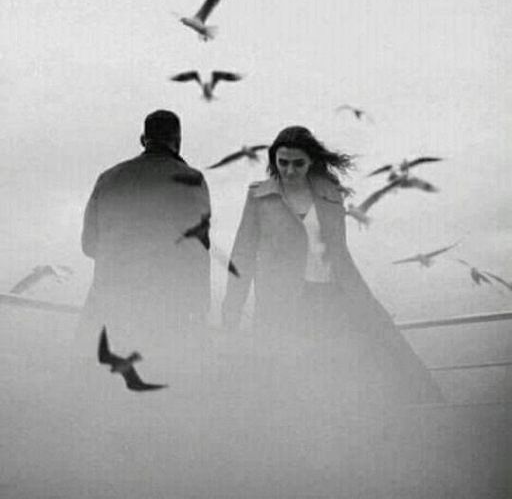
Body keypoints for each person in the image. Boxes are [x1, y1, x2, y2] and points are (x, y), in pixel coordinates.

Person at [221, 125, 443, 403]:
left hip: (331, 299)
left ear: (311, 161)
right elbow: (242, 255)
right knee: (289, 386)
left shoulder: (330, 194)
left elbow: (339, 252)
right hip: (283, 305)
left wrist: (361, 299)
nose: (289, 170)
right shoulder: (259, 197)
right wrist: (231, 310)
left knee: (354, 375)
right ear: (273, 160)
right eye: (283, 162)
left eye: (298, 163)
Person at [78, 110, 211, 357]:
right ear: (178, 140)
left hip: (109, 308)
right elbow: (197, 251)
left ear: (143, 139)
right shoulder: (191, 181)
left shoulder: (109, 178)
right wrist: (201, 307)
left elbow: (88, 245)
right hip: (165, 313)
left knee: (103, 378)